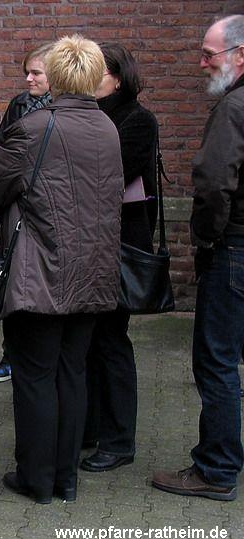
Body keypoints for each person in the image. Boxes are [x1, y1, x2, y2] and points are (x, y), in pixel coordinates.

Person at [0, 35, 123, 503]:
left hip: (39, 272)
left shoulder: (34, 127)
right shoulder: (108, 129)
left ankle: (37, 480)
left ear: (58, 75)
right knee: (72, 373)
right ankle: (66, 479)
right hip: (92, 272)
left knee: (36, 376)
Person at [152, 14, 244, 502]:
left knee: (216, 362)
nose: (202, 63)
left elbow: (213, 185)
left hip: (234, 251)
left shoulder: (233, 109)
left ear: (240, 54)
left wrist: (206, 240)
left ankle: (217, 469)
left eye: (210, 54)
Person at [80, 43, 159, 472]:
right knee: (90, 341)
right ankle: (90, 427)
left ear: (117, 78)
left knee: (111, 341)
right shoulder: (92, 115)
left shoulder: (136, 120)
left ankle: (118, 440)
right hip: (90, 245)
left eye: (99, 72)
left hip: (119, 247)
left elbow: (108, 177)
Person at [0, 43, 52, 384]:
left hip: (49, 212)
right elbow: (1, 153)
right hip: (18, 209)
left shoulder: (65, 109)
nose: (28, 79)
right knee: (13, 282)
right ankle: (11, 356)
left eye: (36, 73)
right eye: (27, 72)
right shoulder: (19, 105)